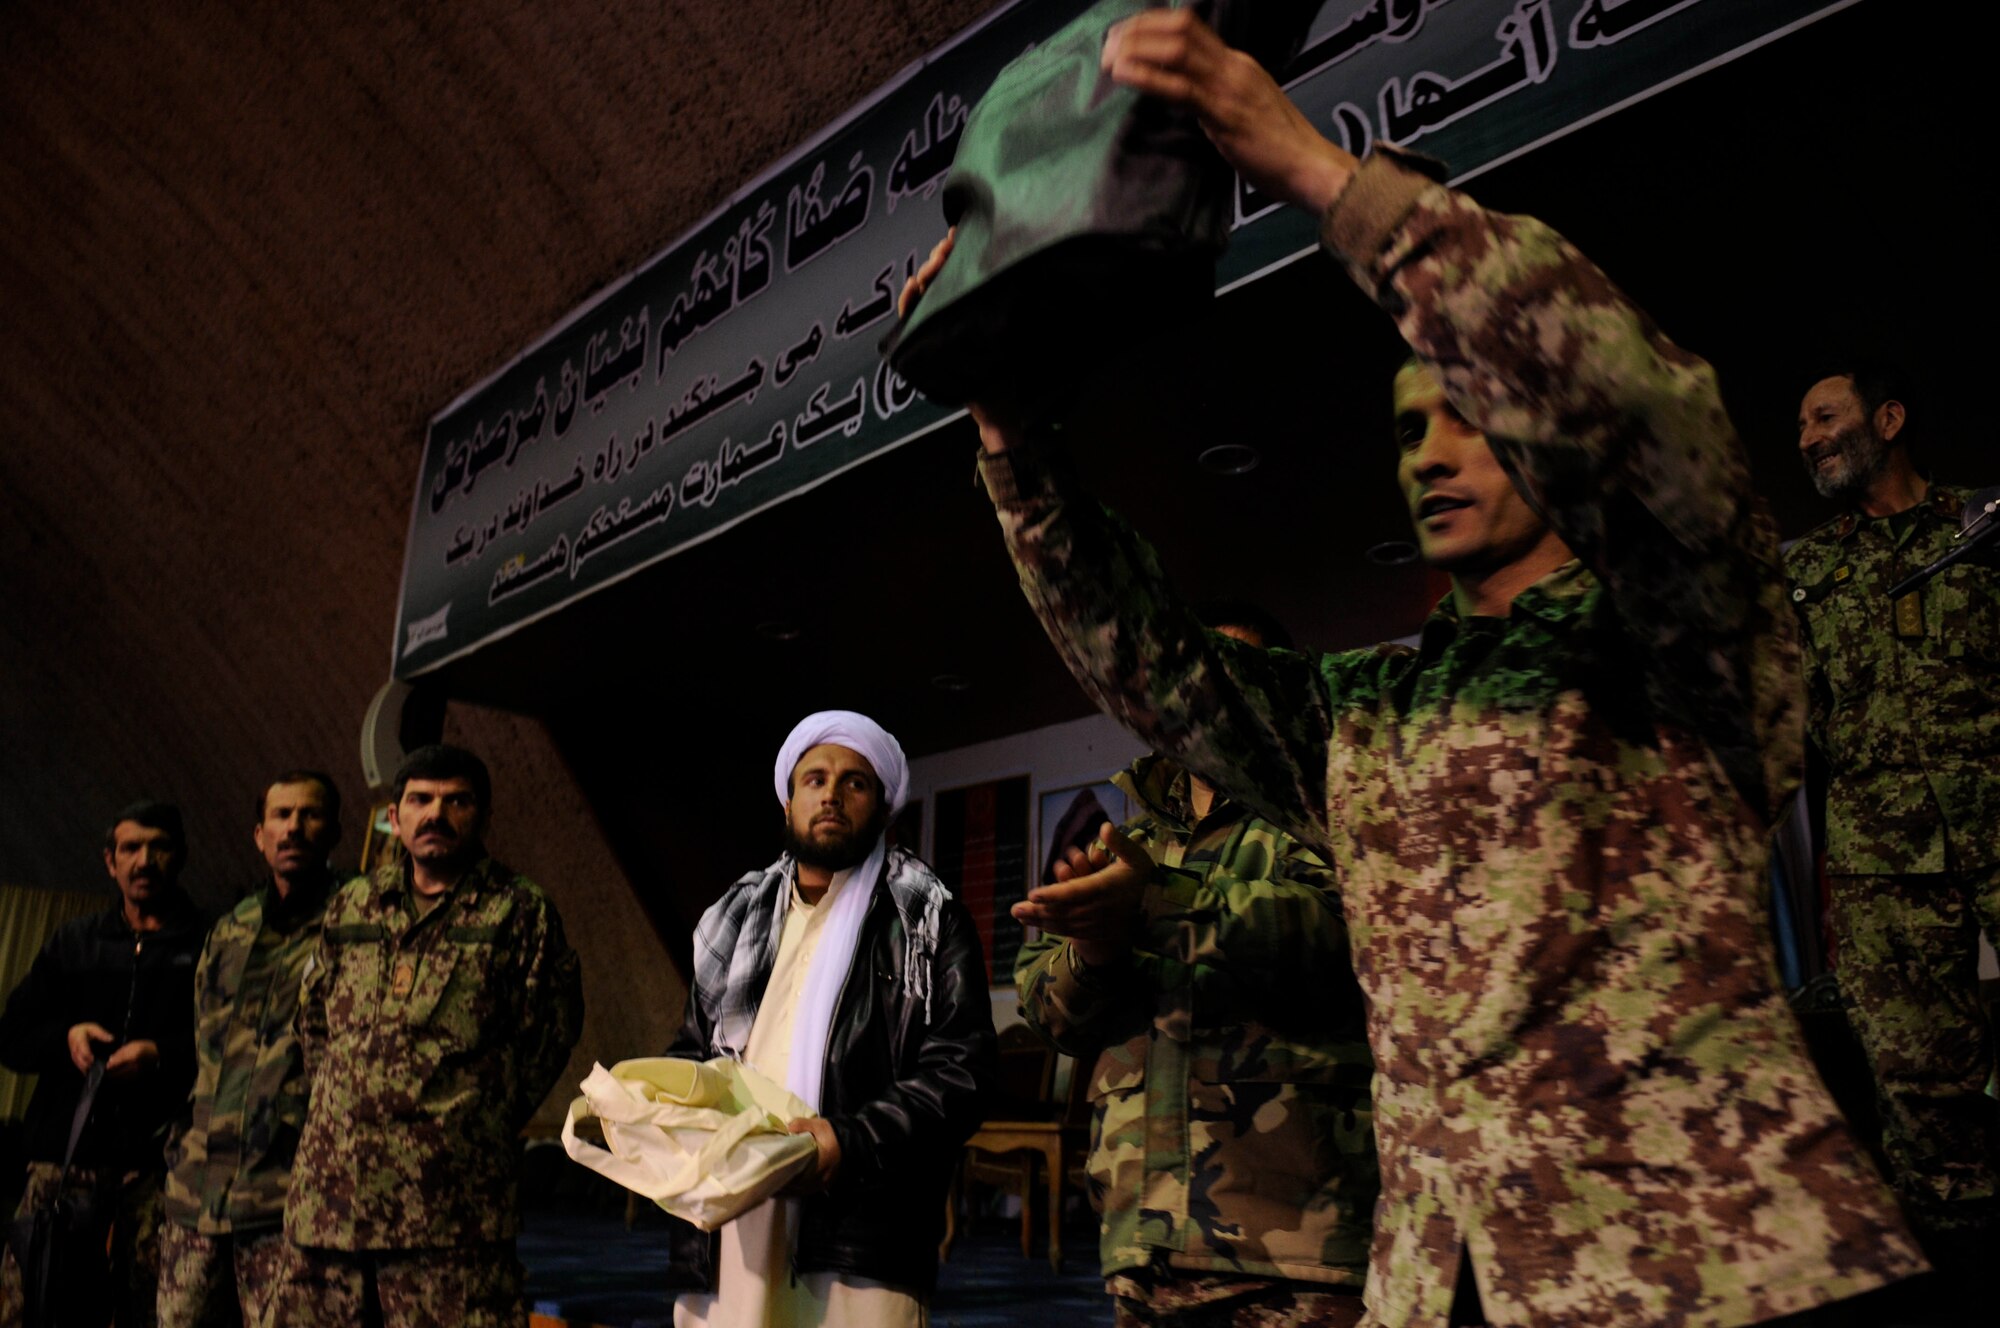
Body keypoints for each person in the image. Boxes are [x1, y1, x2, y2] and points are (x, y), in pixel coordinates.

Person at [904, 10, 1926, 1325]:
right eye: (1407, 433)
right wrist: (1008, 434)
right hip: (1437, 1280)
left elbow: (1639, 415)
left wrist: (1323, 179)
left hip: (1694, 1273)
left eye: (1468, 417)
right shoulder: (1368, 712)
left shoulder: (1681, 647)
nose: (1432, 455)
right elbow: (1151, 663)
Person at [1015, 603, 1377, 1328]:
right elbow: (1048, 1011)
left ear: (1278, 691)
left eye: (1230, 679)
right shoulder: (1128, 840)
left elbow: (1344, 942)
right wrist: (1094, 950)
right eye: (1186, 681)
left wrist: (1157, 901)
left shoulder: (1329, 813)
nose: (1204, 699)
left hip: (1296, 1239)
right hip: (1144, 1240)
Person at [668, 710, 995, 1328]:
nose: (832, 795)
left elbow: (963, 1073)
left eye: (855, 782)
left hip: (859, 1235)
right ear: (787, 802)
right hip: (731, 1227)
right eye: (814, 779)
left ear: (884, 806)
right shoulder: (734, 920)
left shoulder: (928, 920)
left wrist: (852, 1141)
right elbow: (693, 1053)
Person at [1785, 366, 1999, 1288]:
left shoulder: (1985, 527)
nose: (1807, 439)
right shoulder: (1806, 573)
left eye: (1824, 417)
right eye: (1801, 427)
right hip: (1881, 860)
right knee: (1918, 1088)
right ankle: (1965, 1273)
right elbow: (1783, 721)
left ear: (1889, 419)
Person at [271, 744, 583, 1327]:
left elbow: (550, 1031)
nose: (435, 814)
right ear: (396, 815)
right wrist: (346, 1098)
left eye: (455, 801)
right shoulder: (355, 905)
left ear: (483, 816)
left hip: (449, 1210)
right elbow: (312, 1020)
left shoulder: (518, 911)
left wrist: (479, 1115)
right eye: (420, 800)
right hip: (333, 1201)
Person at [0, 801, 208, 1328]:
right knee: (33, 1310)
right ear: (110, 861)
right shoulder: (74, 941)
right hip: (63, 1169)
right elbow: (12, 1037)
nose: (144, 861)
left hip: (162, 1171)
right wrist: (66, 1037)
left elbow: (232, 1046)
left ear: (181, 857)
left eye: (158, 847)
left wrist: (162, 1055)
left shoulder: (211, 942)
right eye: (131, 848)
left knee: (153, 1315)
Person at [156, 771, 343, 1327]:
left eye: (309, 815)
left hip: (290, 1198)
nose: (294, 828)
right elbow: (203, 1043)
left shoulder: (353, 923)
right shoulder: (232, 928)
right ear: (259, 836)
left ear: (334, 831)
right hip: (197, 1193)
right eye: (281, 816)